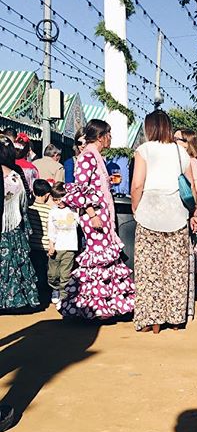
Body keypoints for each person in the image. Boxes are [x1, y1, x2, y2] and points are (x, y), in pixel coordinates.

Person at [60, 119, 135, 320]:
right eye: (109, 134)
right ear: (101, 136)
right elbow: (80, 188)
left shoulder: (95, 156)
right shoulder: (88, 157)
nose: (110, 139)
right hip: (95, 215)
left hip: (101, 215)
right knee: (98, 259)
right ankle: (92, 306)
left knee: (104, 259)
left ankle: (103, 306)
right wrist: (92, 214)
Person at [130, 110, 197, 333]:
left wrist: (136, 208)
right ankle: (176, 318)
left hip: (150, 213)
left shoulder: (144, 150)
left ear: (149, 128)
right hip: (177, 214)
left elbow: (137, 183)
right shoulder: (180, 152)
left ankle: (152, 319)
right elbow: (191, 187)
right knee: (175, 269)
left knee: (149, 270)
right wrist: (193, 214)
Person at [0, 135, 38, 312]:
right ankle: (15, 300)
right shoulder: (15, 176)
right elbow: (24, 203)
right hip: (11, 226)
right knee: (13, 261)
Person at [174, 128, 197, 317]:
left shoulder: (191, 162)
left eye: (178, 139)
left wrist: (194, 212)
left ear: (188, 143)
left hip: (187, 216)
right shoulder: (179, 161)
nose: (173, 140)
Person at [47, 182, 79, 306]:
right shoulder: (53, 212)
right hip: (56, 247)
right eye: (55, 199)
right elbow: (51, 230)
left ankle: (64, 297)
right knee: (53, 274)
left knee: (65, 274)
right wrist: (51, 246)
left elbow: (80, 221)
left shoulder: (73, 210)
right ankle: (55, 289)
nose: (58, 202)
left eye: (61, 199)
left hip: (70, 247)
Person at [27, 178, 53, 307]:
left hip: (32, 246)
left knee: (36, 272)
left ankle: (36, 296)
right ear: (48, 194)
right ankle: (45, 297)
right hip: (45, 246)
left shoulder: (29, 209)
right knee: (45, 273)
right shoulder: (49, 211)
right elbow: (50, 230)